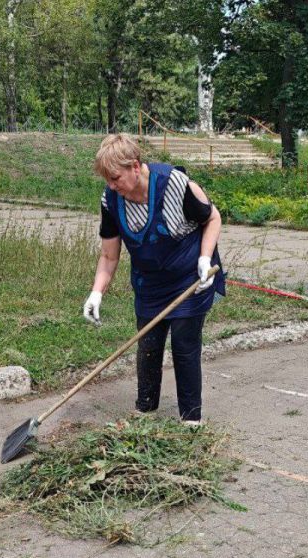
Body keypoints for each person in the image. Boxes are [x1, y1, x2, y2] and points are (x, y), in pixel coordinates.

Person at [83, 134, 225, 425]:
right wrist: (96, 293)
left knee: (184, 345)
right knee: (148, 345)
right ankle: (145, 413)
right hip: (150, 286)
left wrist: (204, 258)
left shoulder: (175, 184)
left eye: (115, 178)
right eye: (107, 180)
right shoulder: (111, 200)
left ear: (135, 166)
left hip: (189, 279)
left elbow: (213, 218)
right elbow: (109, 257)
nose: (111, 185)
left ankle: (190, 421)